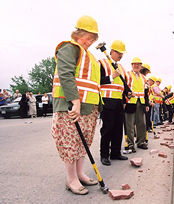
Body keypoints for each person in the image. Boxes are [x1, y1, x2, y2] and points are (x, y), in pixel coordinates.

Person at [51, 15, 101, 195]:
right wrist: (75, 102)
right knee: (70, 143)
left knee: (83, 143)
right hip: (70, 106)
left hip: (89, 107)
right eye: (87, 37)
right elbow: (65, 75)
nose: (89, 42)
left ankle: (80, 173)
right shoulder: (69, 48)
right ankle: (71, 178)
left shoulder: (90, 56)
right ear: (77, 34)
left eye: (92, 39)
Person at [99, 40, 128, 166]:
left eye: (122, 53)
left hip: (119, 102)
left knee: (118, 128)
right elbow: (98, 81)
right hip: (107, 101)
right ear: (111, 51)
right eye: (118, 52)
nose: (120, 55)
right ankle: (104, 155)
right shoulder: (102, 63)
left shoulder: (121, 67)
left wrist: (127, 93)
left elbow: (122, 84)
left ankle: (115, 153)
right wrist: (112, 76)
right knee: (107, 129)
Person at [125, 57, 149, 151]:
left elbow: (146, 92)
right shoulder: (127, 75)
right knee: (130, 125)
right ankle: (130, 144)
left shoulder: (143, 78)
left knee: (142, 123)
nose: (136, 66)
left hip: (141, 102)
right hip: (130, 102)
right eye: (135, 64)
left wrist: (146, 104)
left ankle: (141, 142)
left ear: (141, 66)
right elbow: (124, 88)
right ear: (132, 65)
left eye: (138, 64)